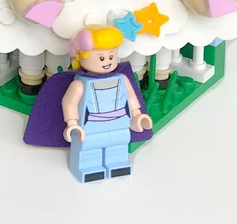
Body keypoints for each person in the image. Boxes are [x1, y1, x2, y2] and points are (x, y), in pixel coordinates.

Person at [23, 24, 153, 181]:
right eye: (101, 57)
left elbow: (131, 98)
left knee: (118, 144)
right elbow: (69, 103)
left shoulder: (122, 79)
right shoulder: (80, 84)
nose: (107, 61)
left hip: (119, 123)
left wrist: (137, 115)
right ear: (82, 56)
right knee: (90, 147)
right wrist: (72, 123)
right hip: (91, 125)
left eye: (111, 56)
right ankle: (89, 168)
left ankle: (117, 165)